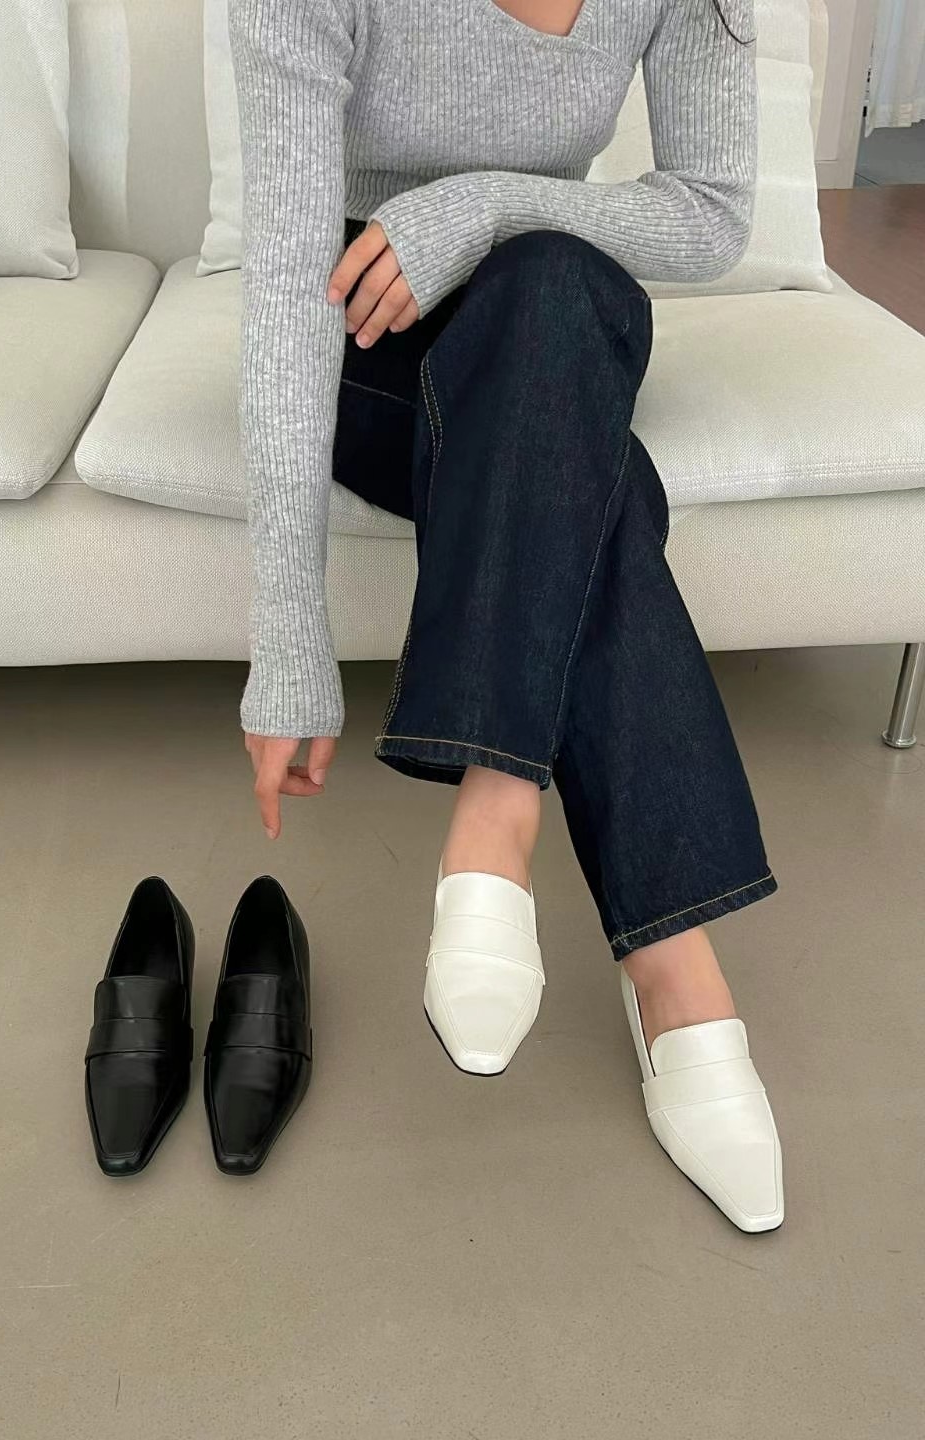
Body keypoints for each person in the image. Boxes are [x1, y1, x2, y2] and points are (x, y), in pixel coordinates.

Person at [229, 0, 783, 1232]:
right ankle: (675, 972)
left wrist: (481, 207)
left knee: (547, 288)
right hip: (366, 330)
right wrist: (289, 646)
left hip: (551, 306)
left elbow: (710, 212)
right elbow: (284, 288)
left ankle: (497, 807)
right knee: (599, 488)